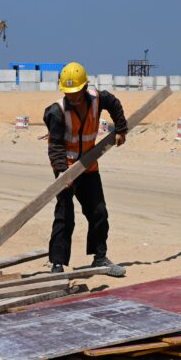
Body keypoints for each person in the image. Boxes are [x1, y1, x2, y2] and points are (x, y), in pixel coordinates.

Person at [43, 62, 128, 277]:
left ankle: (100, 258)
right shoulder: (57, 111)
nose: (73, 98)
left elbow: (115, 104)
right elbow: (55, 146)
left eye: (77, 93)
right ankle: (57, 264)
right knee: (64, 215)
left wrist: (121, 129)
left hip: (89, 166)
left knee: (99, 212)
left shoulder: (98, 98)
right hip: (67, 169)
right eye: (69, 94)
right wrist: (62, 172)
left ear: (85, 87)